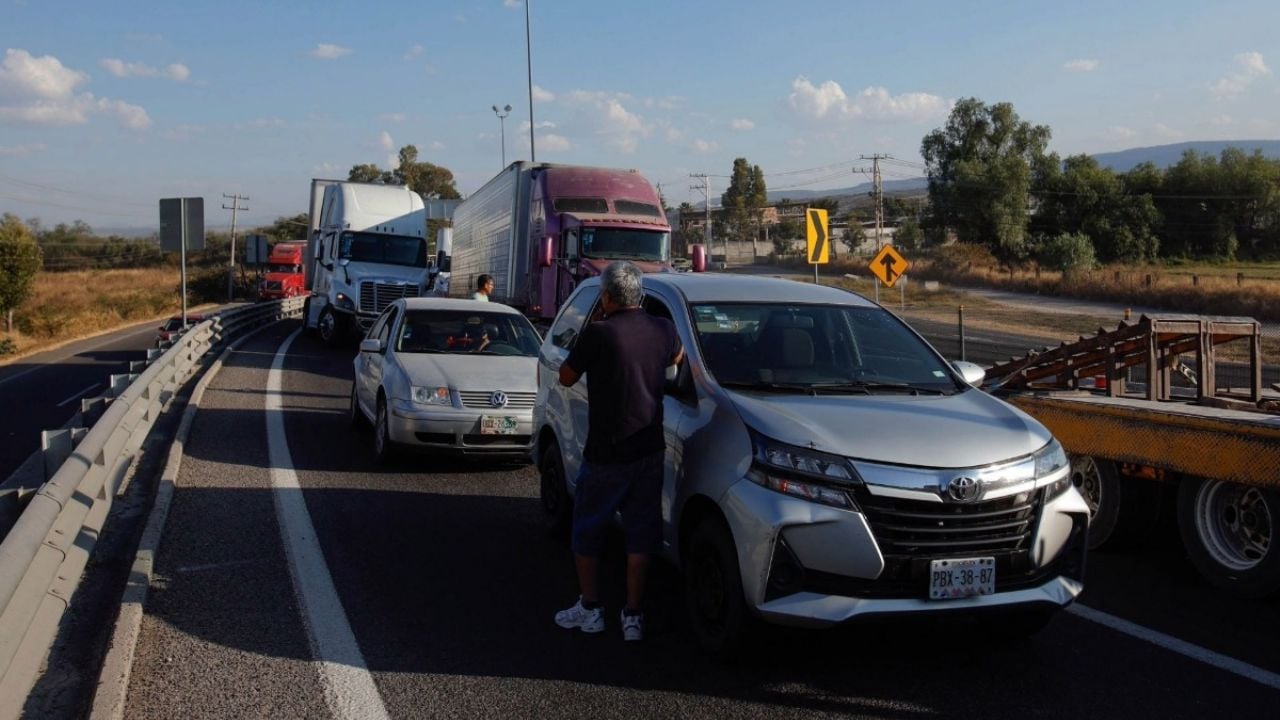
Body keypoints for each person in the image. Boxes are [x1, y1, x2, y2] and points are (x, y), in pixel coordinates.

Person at [553, 261, 683, 642]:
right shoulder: (664, 329)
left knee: (587, 528)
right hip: (649, 448)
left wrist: (593, 322)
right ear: (639, 295)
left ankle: (591, 609)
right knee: (641, 534)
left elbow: (566, 376)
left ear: (606, 297)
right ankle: (633, 615)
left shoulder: (598, 334)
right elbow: (676, 359)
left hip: (607, 451)